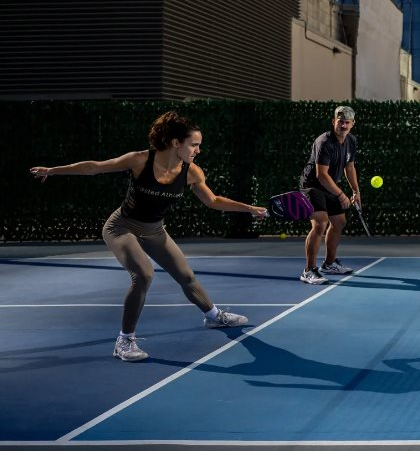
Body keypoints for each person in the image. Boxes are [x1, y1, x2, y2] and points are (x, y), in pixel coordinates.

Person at [29, 111, 268, 362]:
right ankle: (124, 340)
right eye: (194, 145)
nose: (198, 150)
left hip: (155, 230)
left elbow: (214, 201)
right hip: (122, 227)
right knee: (143, 274)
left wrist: (249, 208)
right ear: (176, 143)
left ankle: (213, 316)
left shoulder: (192, 172)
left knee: (186, 276)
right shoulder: (140, 160)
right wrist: (54, 170)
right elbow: (96, 168)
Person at [298, 105, 361, 284]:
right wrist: (341, 195)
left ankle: (329, 263)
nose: (343, 125)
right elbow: (321, 175)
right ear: (334, 122)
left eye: (347, 122)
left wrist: (356, 191)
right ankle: (308, 270)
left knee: (339, 222)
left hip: (330, 186)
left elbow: (350, 167)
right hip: (312, 186)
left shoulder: (351, 141)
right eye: (340, 121)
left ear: (352, 124)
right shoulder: (324, 142)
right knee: (320, 223)